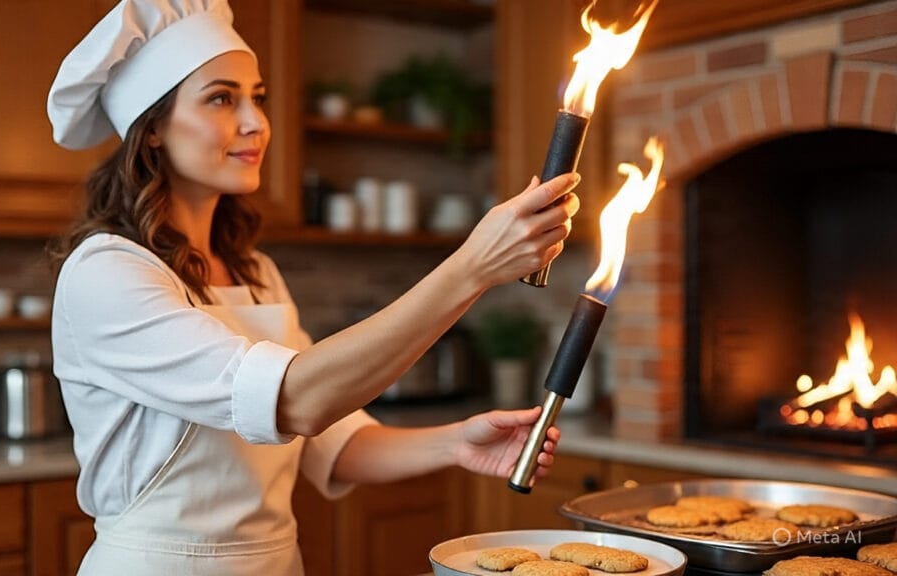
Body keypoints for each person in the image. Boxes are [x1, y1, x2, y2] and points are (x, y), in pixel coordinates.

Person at [46, 1, 580, 574]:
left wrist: (454, 443)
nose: (256, 122)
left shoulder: (256, 275)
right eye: (222, 98)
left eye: (258, 96)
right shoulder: (106, 273)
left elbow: (332, 441)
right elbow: (297, 400)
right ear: (151, 130)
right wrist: (471, 267)